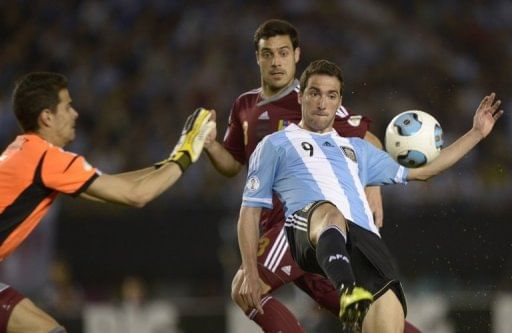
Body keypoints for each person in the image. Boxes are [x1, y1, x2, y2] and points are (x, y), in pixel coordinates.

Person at [238, 59, 503, 332]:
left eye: (331, 96)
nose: (321, 102)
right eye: (314, 93)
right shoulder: (274, 145)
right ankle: (347, 289)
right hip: (309, 228)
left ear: (338, 100)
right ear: (302, 96)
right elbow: (249, 212)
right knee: (329, 213)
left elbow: (424, 171)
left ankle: (353, 289)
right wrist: (249, 270)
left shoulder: (356, 149)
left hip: (366, 248)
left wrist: (476, 133)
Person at [204, 19, 413, 332]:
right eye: (268, 54)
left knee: (246, 288)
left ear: (296, 55)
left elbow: (367, 140)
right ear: (257, 57)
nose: (276, 61)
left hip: (299, 222)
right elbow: (232, 164)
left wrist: (372, 188)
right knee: (362, 313)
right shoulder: (244, 106)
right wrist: (208, 145)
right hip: (292, 233)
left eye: (283, 53)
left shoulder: (311, 98)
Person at [0, 72, 214, 333]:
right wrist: (188, 152)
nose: (75, 113)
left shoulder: (25, 151)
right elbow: (137, 195)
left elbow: (116, 185)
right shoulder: (46, 158)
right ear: (47, 116)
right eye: (67, 106)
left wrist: (173, 158)